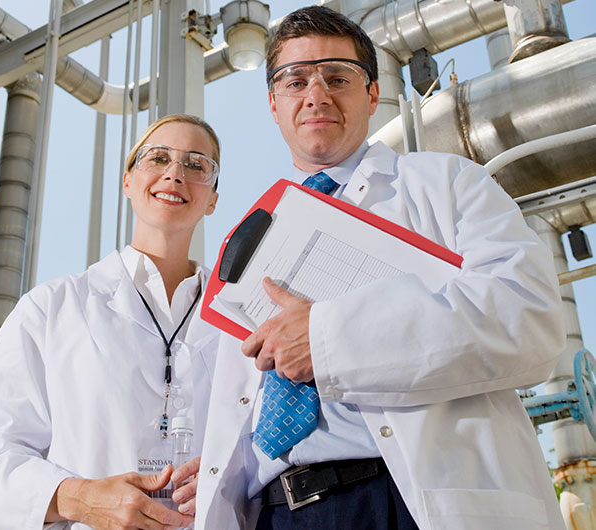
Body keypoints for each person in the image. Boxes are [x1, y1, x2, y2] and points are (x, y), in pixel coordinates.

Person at [194, 6, 566, 530]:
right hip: (275, 515)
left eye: (337, 77)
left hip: (400, 502)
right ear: (274, 104)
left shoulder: (446, 185)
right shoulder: (248, 240)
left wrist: (325, 339)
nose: (316, 94)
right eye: (295, 80)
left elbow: (529, 320)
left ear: (372, 95)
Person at [0, 113, 221, 530]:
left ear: (212, 199)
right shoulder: (53, 308)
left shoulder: (239, 318)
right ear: (128, 181)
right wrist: (81, 498)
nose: (174, 174)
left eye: (196, 164)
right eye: (158, 158)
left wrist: (232, 476)